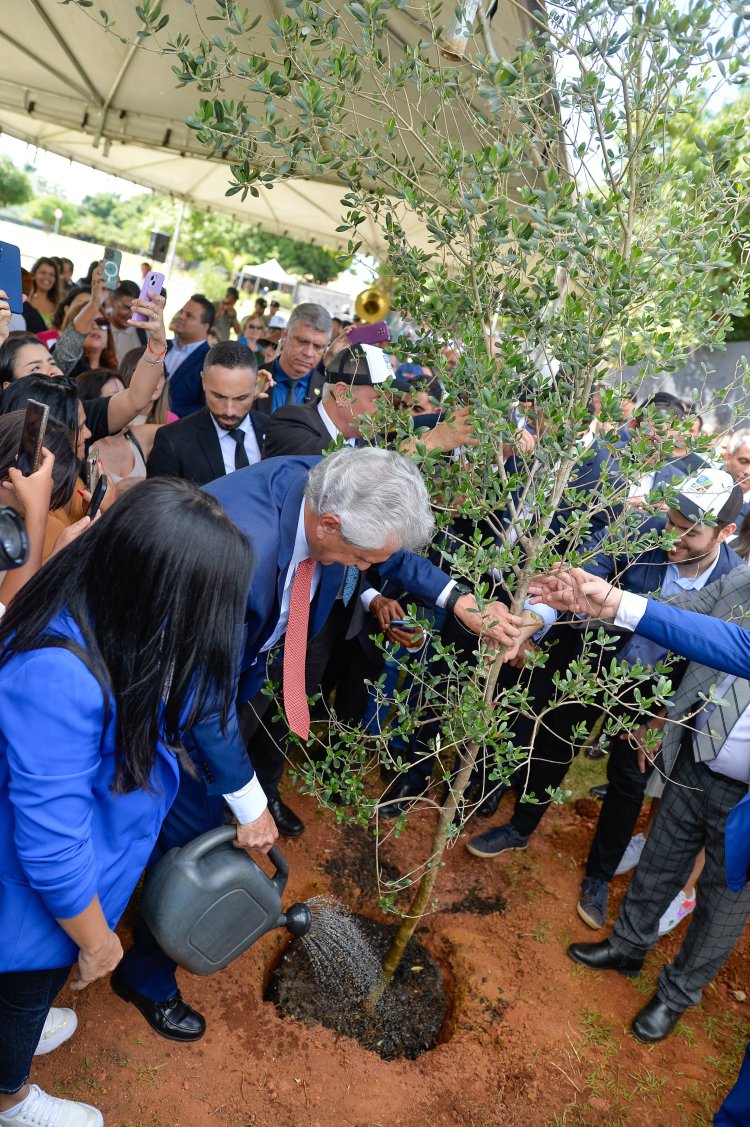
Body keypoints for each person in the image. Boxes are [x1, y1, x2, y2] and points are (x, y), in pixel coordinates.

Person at [0, 479, 255, 1127]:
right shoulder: (59, 675)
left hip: (50, 904)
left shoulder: (103, 607)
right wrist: (97, 945)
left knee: (24, 991)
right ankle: (10, 1095)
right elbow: (50, 849)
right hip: (28, 907)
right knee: (24, 990)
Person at [466, 471, 745, 905]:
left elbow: (710, 659)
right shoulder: (636, 532)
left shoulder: (733, 582)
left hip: (653, 693)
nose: (674, 536)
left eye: (691, 530)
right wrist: (534, 621)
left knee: (629, 780)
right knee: (551, 745)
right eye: (671, 521)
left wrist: (664, 716)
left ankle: (598, 874)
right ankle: (521, 826)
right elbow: (578, 585)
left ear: (726, 532)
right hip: (587, 664)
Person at [527, 560, 750, 1062]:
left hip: (747, 801)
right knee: (660, 858)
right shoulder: (741, 580)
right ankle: (628, 944)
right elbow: (681, 614)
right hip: (693, 759)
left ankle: (675, 996)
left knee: (724, 901)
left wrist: (616, 602)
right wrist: (608, 602)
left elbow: (733, 648)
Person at [1, 293, 168, 444]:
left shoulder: (79, 414)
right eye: (35, 367)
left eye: (52, 363)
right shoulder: (5, 434)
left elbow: (135, 399)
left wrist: (157, 343)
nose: (51, 370)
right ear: (8, 387)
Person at [147, 341, 266, 485]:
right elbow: (159, 504)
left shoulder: (274, 431)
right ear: (203, 381)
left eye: (241, 398)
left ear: (256, 386)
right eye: (219, 396)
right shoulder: (172, 441)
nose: (229, 411)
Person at [256, 302, 332, 415]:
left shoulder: (329, 394)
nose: (309, 353)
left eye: (318, 346)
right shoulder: (252, 378)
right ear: (284, 336)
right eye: (302, 341)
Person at [165, 294, 214, 417]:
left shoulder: (211, 361)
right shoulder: (161, 346)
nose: (181, 317)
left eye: (189, 315)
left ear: (205, 327)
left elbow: (206, 407)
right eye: (182, 312)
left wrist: (167, 416)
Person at [106, 280, 147, 364]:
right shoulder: (98, 328)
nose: (131, 314)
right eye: (126, 308)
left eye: (135, 309)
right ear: (112, 300)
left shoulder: (144, 334)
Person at [26, 258, 63, 327]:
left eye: (51, 274)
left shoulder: (59, 304)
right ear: (34, 275)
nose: (47, 277)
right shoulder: (26, 301)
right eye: (43, 273)